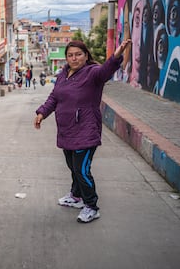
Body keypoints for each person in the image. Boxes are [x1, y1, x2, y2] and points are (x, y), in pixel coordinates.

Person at [34, 39, 132, 223]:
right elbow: (54, 98)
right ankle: (76, 196)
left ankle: (91, 206)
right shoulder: (64, 75)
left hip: (86, 131)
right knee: (73, 167)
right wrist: (41, 113)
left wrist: (117, 54)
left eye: (78, 54)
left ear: (86, 56)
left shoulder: (92, 73)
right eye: (70, 55)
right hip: (66, 130)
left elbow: (106, 71)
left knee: (82, 170)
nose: (74, 58)